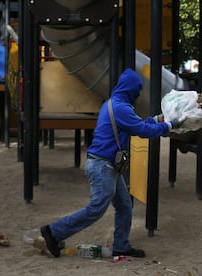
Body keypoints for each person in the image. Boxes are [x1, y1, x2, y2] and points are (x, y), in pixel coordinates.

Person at [40, 68, 185, 258]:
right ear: (130, 89)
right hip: (103, 166)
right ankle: (53, 231)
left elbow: (137, 125)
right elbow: (142, 130)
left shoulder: (114, 104)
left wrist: (159, 119)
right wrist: (170, 125)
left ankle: (121, 245)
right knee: (96, 209)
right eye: (137, 89)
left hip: (107, 166)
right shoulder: (121, 108)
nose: (138, 93)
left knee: (124, 206)